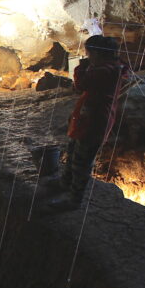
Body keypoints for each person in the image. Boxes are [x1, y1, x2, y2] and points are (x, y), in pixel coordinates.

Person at [48, 35, 129, 211]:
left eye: (89, 53)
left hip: (95, 121)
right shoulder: (111, 67)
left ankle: (74, 199)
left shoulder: (104, 70)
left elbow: (80, 84)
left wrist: (82, 66)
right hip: (89, 118)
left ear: (98, 53)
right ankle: (65, 183)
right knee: (73, 151)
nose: (88, 56)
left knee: (81, 162)